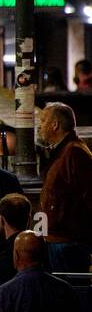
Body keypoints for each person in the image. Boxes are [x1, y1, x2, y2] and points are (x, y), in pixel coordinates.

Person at [37, 101, 92, 272]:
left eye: (43, 121)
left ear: (55, 125)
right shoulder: (63, 151)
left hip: (68, 241)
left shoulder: (74, 152)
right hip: (58, 238)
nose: (40, 127)